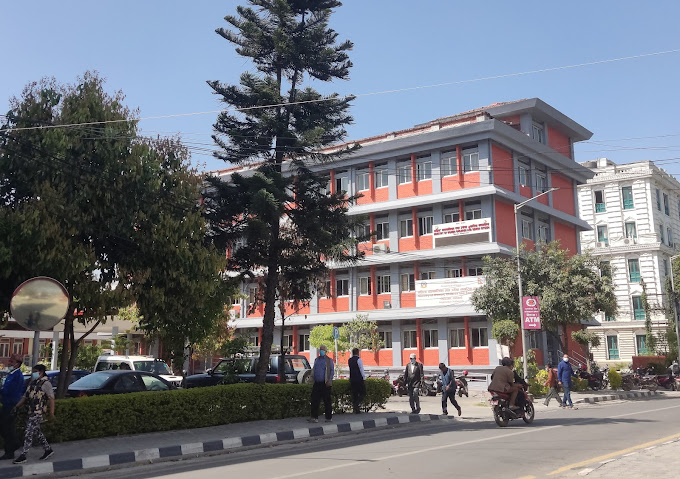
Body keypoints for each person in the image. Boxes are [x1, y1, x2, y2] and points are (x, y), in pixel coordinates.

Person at [12, 364, 55, 464]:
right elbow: (25, 396)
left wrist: (51, 413)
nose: (34, 373)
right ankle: (48, 449)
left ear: (41, 372)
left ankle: (24, 455)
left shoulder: (46, 384)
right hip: (31, 411)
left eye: (35, 371)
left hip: (38, 412)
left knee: (28, 432)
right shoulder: (33, 383)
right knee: (36, 432)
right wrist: (16, 406)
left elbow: (51, 399)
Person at [0, 354, 25, 460]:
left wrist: (1, 391)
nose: (9, 363)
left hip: (11, 404)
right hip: (6, 403)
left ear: (17, 364)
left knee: (6, 428)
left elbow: (10, 391)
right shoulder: (11, 374)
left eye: (11, 361)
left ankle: (11, 449)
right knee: (6, 428)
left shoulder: (17, 376)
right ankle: (13, 445)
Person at [308, 344, 334, 423]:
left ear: (325, 351)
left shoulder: (329, 360)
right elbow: (314, 370)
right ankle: (314, 417)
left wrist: (329, 380)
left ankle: (328, 417)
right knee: (314, 400)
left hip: (325, 383)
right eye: (320, 350)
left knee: (327, 401)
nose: (321, 351)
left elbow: (331, 371)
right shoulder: (317, 360)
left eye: (322, 350)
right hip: (317, 383)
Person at [348, 348, 366, 414]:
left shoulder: (350, 360)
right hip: (359, 379)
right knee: (363, 392)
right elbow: (361, 369)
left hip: (352, 379)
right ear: (358, 353)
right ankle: (356, 404)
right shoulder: (359, 360)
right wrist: (364, 378)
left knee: (354, 394)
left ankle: (356, 408)